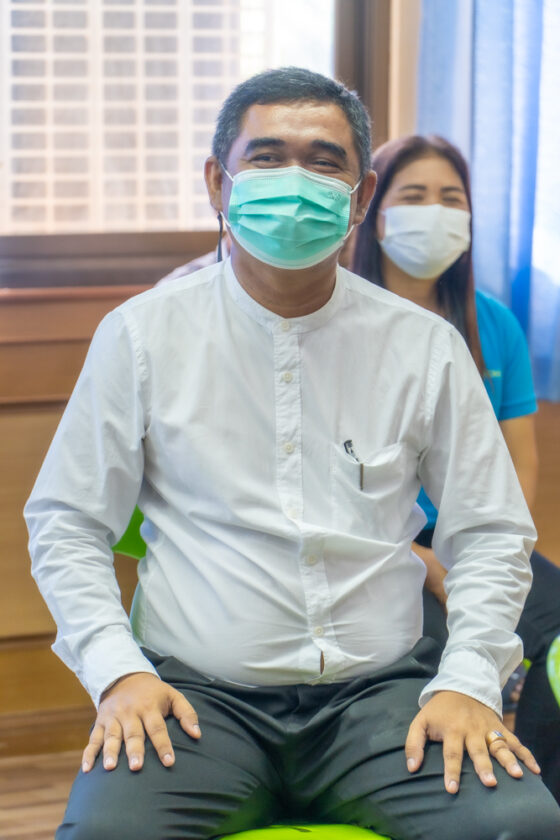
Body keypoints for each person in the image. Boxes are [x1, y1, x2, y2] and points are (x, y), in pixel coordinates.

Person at [24, 68, 560, 840]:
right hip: (197, 704)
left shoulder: (425, 347)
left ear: (361, 196)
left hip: (382, 700)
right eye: (268, 157)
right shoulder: (141, 335)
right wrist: (119, 671)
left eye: (324, 161)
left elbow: (491, 533)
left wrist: (469, 681)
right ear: (219, 183)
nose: (295, 182)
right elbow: (68, 523)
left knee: (521, 827)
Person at [352, 132, 560, 805]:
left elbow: (517, 470)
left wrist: (486, 556)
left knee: (554, 634)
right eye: (414, 196)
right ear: (372, 210)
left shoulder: (492, 323)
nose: (435, 212)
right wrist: (424, 562)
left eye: (451, 198)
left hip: (475, 543)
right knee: (441, 648)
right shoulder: (337, 322)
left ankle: (541, 796)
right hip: (376, 551)